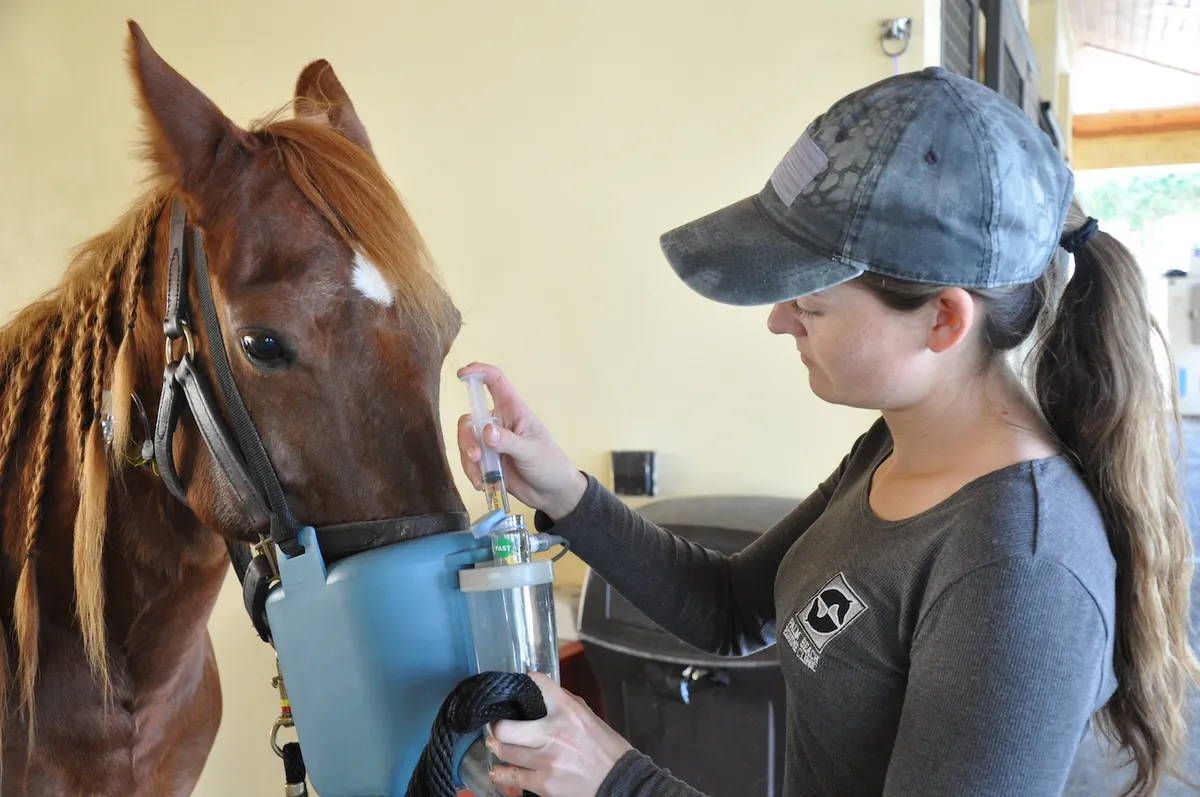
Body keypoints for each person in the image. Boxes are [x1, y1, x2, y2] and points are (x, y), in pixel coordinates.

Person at [455, 66, 1200, 797]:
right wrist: (562, 487)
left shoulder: (1020, 570)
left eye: (810, 303)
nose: (779, 320)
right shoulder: (900, 442)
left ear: (943, 319)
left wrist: (616, 779)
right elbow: (732, 606)